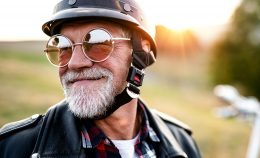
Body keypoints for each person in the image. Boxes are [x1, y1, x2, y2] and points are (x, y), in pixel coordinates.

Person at [0, 0, 201, 157]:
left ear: (141, 53)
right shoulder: (13, 148)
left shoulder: (182, 142)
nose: (75, 63)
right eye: (62, 46)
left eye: (98, 41)